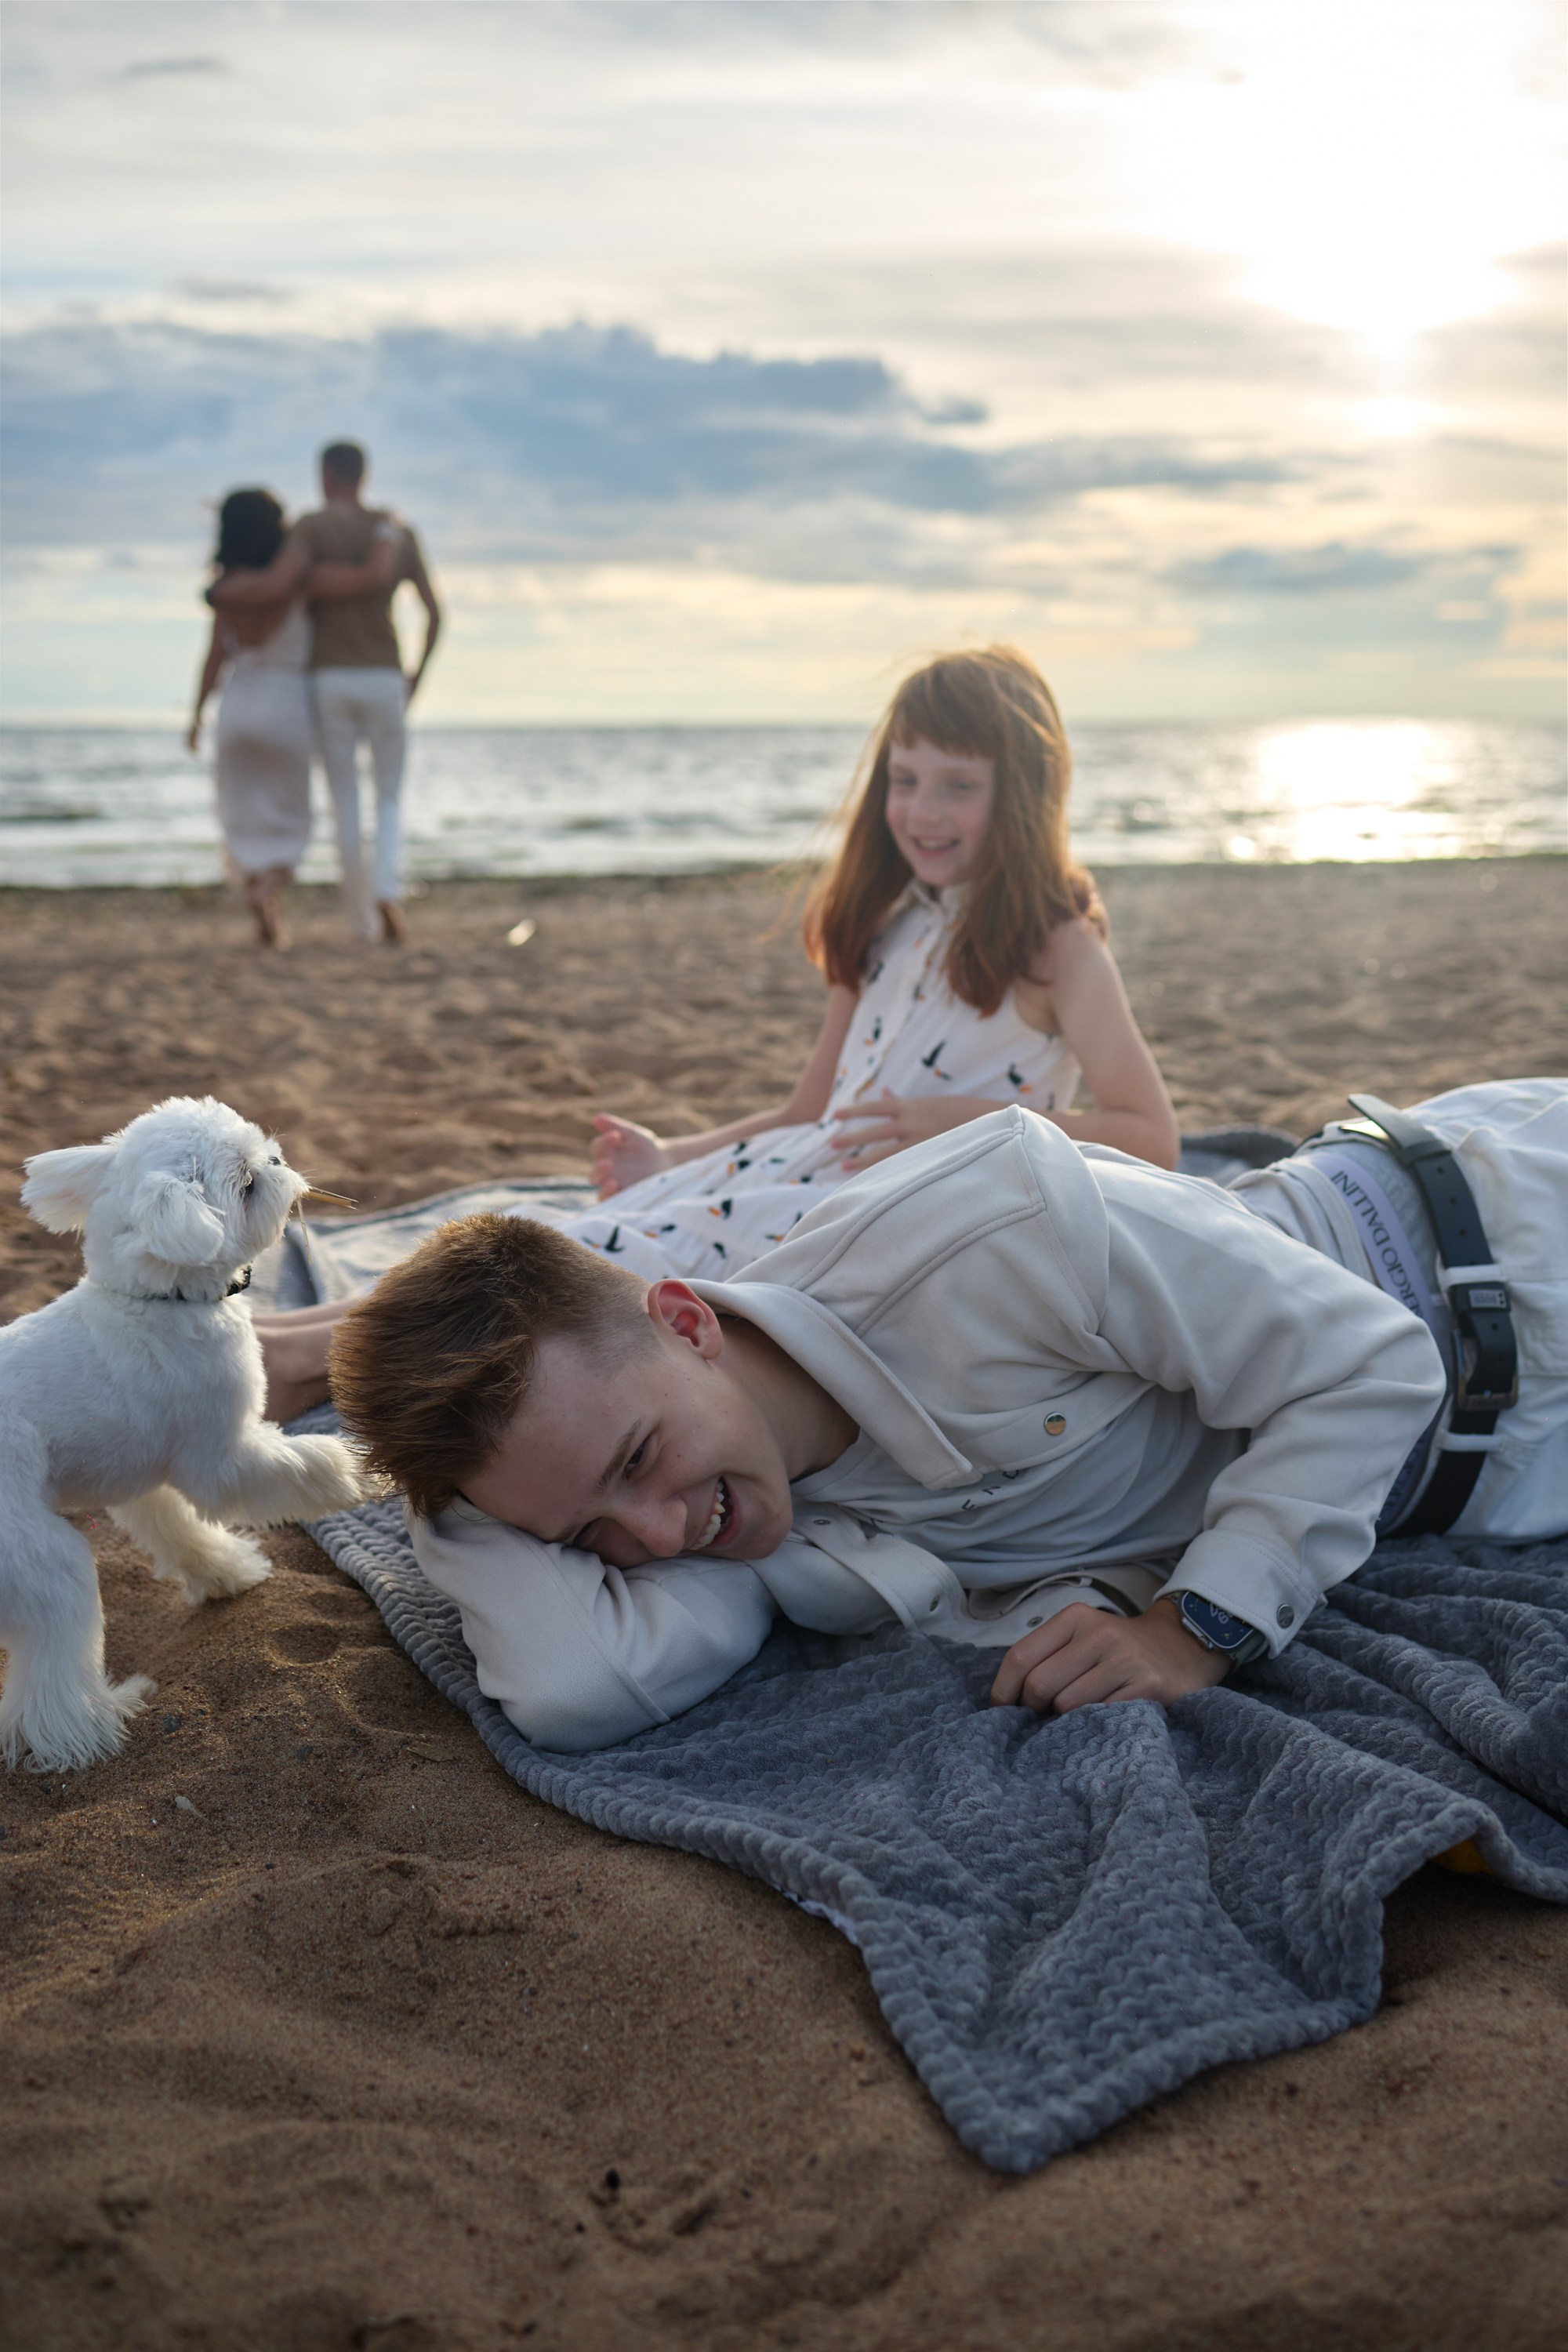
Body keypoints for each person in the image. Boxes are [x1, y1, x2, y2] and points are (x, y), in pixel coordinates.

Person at [323, 1078, 1567, 1752]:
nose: (651, 1540)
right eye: (587, 1538)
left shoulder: (998, 1221)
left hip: (1498, 1241)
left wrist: (1194, 1631)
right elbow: (569, 1684)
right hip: (1508, 1482)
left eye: (637, 1460)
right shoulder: (752, 1534)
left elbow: (1372, 1365)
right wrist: (460, 1493)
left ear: (688, 1319)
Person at [206, 441, 441, 944]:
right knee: (390, 797)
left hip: (322, 681)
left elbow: (269, 591)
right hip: (378, 675)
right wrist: (416, 674)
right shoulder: (399, 532)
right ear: (364, 474)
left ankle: (358, 921)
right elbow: (433, 612)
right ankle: (386, 891)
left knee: (343, 802)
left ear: (325, 476)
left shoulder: (309, 532)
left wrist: (215, 592)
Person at [187, 488, 399, 949]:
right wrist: (385, 529)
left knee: (240, 814)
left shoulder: (228, 586)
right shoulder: (299, 580)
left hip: (237, 705)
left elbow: (214, 656)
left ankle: (260, 897)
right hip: (287, 704)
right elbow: (367, 579)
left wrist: (195, 716)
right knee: (291, 819)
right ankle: (270, 887)